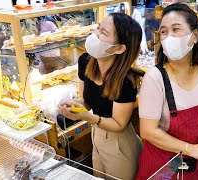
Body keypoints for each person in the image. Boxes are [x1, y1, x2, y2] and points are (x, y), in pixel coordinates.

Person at [136, 3, 198, 179]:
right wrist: (191, 149)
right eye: (164, 31)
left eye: (176, 29)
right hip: (163, 166)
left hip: (195, 166)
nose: (168, 37)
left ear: (195, 36)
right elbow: (148, 131)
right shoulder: (155, 77)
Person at [58, 13, 143, 180]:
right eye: (98, 28)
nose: (95, 35)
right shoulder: (85, 61)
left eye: (103, 33)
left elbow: (119, 124)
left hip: (120, 143)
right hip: (96, 135)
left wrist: (87, 116)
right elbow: (85, 100)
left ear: (119, 48)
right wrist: (74, 105)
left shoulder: (125, 81)